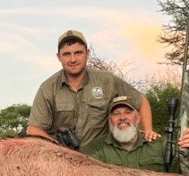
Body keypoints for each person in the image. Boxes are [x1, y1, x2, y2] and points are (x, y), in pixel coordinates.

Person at [26, 29, 159, 148]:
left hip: (100, 158)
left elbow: (141, 101)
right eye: (67, 54)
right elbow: (33, 129)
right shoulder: (47, 88)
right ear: (58, 57)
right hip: (63, 160)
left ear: (87, 54)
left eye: (78, 53)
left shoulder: (107, 80)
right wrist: (57, 147)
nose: (73, 59)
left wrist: (147, 130)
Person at [81, 95, 189, 176]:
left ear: (138, 118)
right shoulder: (94, 149)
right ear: (110, 119)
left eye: (128, 112)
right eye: (116, 114)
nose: (122, 117)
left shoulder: (160, 145)